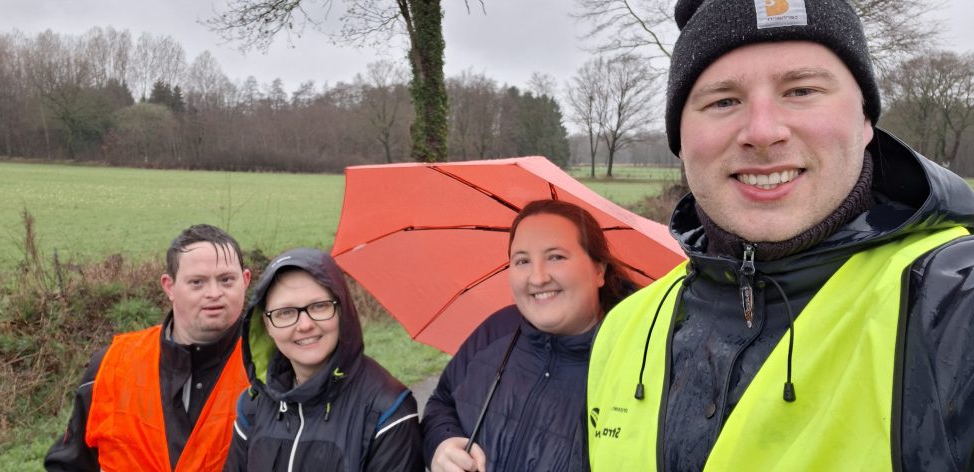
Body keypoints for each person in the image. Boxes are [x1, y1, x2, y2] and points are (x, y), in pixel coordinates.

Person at [587, 0, 974, 470]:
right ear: (681, 141)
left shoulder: (954, 304)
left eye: (802, 90)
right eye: (723, 101)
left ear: (865, 121)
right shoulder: (624, 328)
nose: (763, 131)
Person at [423, 199, 633, 472]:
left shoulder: (635, 363)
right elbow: (441, 403)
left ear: (599, 270)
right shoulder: (497, 330)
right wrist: (442, 443)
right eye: (522, 260)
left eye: (556, 257)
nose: (537, 278)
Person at [45, 224, 252, 471]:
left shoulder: (274, 366)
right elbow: (69, 464)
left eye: (226, 280)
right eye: (197, 282)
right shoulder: (112, 366)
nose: (214, 293)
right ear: (169, 287)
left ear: (245, 280)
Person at [223, 247, 423, 471]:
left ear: (342, 311)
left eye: (319, 306)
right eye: (286, 312)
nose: (305, 325)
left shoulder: (387, 409)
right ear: (267, 325)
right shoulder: (253, 405)